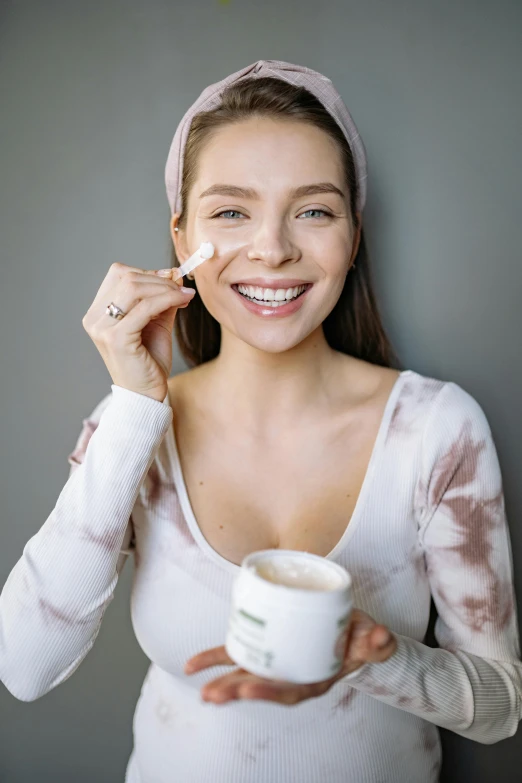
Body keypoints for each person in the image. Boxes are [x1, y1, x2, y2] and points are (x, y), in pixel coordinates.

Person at [0, 59, 521, 783]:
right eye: (231, 212)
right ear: (183, 241)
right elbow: (23, 664)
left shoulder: (439, 430)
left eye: (313, 210)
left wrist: (377, 657)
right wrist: (134, 406)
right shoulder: (132, 427)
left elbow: (500, 709)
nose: (272, 249)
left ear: (352, 236)